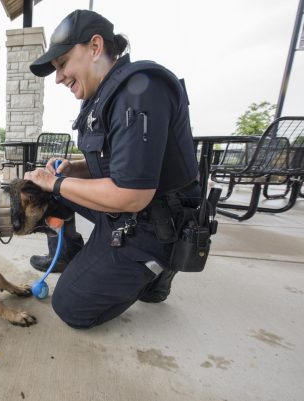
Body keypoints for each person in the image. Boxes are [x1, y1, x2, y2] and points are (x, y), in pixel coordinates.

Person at [24, 9, 200, 329]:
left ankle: (156, 266)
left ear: (94, 47)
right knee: (52, 189)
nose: (59, 77)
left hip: (152, 223)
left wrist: (56, 183)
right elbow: (116, 162)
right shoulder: (102, 96)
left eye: (62, 64)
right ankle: (69, 255)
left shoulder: (140, 91)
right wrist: (73, 169)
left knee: (70, 307)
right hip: (127, 211)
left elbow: (131, 195)